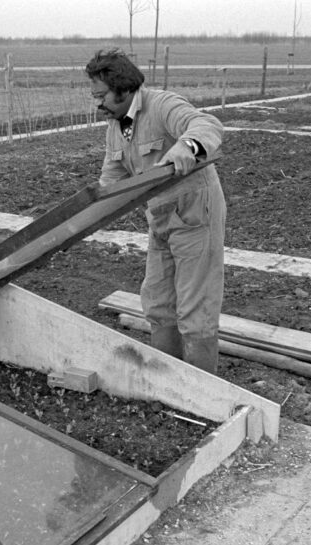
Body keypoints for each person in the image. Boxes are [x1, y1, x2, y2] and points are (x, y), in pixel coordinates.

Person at [85, 47, 227, 374]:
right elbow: (110, 182)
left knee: (195, 311)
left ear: (122, 87)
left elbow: (206, 125)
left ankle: (202, 391)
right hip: (160, 220)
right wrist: (78, 221)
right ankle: (169, 381)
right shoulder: (116, 127)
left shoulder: (161, 105)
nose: (98, 103)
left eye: (102, 95)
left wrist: (187, 145)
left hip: (194, 218)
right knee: (158, 304)